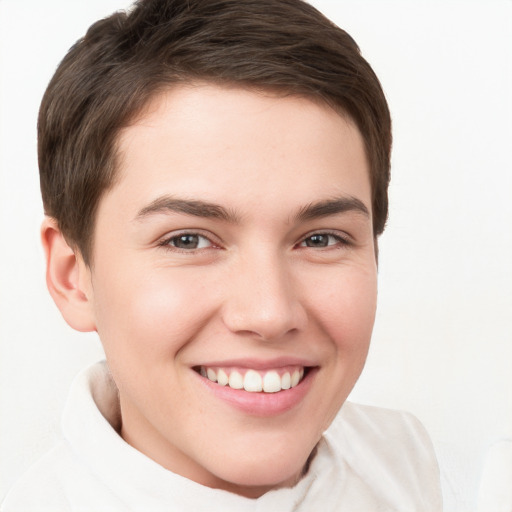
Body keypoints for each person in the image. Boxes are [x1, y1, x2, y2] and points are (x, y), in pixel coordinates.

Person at [0, 0, 442, 510]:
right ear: (72, 276)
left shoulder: (405, 462)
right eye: (187, 240)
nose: (269, 313)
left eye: (320, 239)